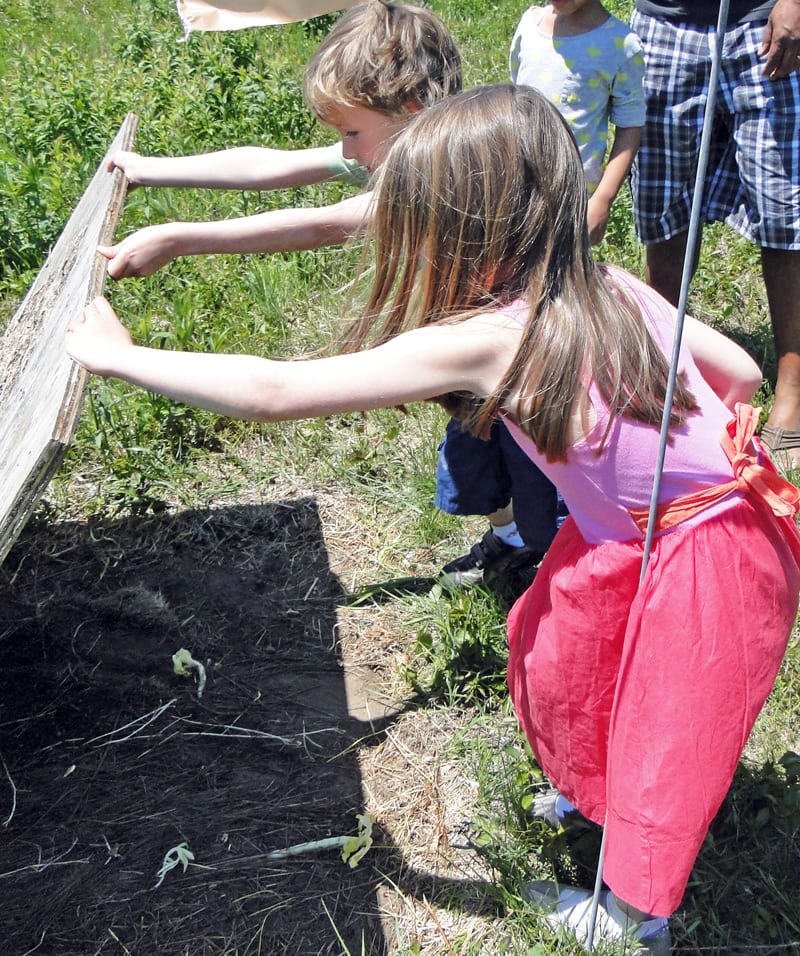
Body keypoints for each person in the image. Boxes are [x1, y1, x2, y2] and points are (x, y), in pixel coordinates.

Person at [66, 84, 800, 953]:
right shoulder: (603, 283)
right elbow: (737, 376)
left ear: (468, 229)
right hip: (687, 525)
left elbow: (275, 390)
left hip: (700, 558)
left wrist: (122, 359)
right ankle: (587, 785)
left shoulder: (491, 335)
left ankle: (637, 918)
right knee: (562, 653)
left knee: (667, 730)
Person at [102, 0, 566, 585]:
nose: (346, 150)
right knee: (476, 460)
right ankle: (512, 541)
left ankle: (552, 561)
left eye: (351, 131)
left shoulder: (446, 177)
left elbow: (324, 223)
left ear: (411, 110)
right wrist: (151, 169)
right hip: (467, 360)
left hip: (520, 363)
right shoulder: (391, 146)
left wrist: (183, 238)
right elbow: (267, 166)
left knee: (534, 471)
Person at [437, 0, 646, 588]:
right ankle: (508, 532)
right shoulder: (531, 23)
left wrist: (601, 196)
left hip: (564, 217)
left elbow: (629, 123)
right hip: (508, 207)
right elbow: (513, 107)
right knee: (494, 350)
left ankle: (556, 533)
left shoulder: (620, 43)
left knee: (547, 353)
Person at [629, 0, 800, 467]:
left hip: (763, 23)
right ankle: (664, 367)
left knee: (783, 207)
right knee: (662, 205)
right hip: (666, 24)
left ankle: (793, 386)